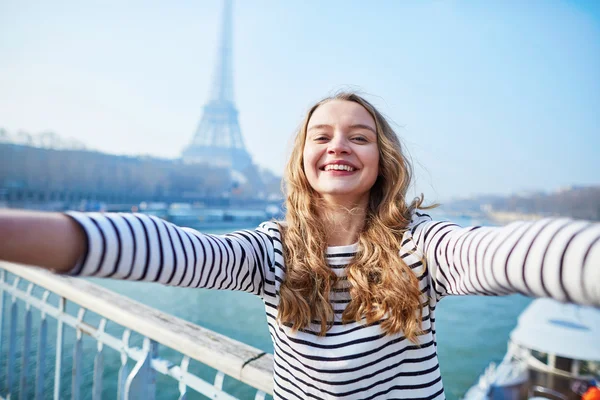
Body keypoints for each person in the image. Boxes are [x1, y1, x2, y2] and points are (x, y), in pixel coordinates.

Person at [0, 92, 598, 400]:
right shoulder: (270, 250)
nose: (339, 144)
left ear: (381, 159)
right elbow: (173, 249)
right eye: (323, 134)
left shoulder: (423, 246)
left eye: (359, 136)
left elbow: (505, 253)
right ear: (303, 158)